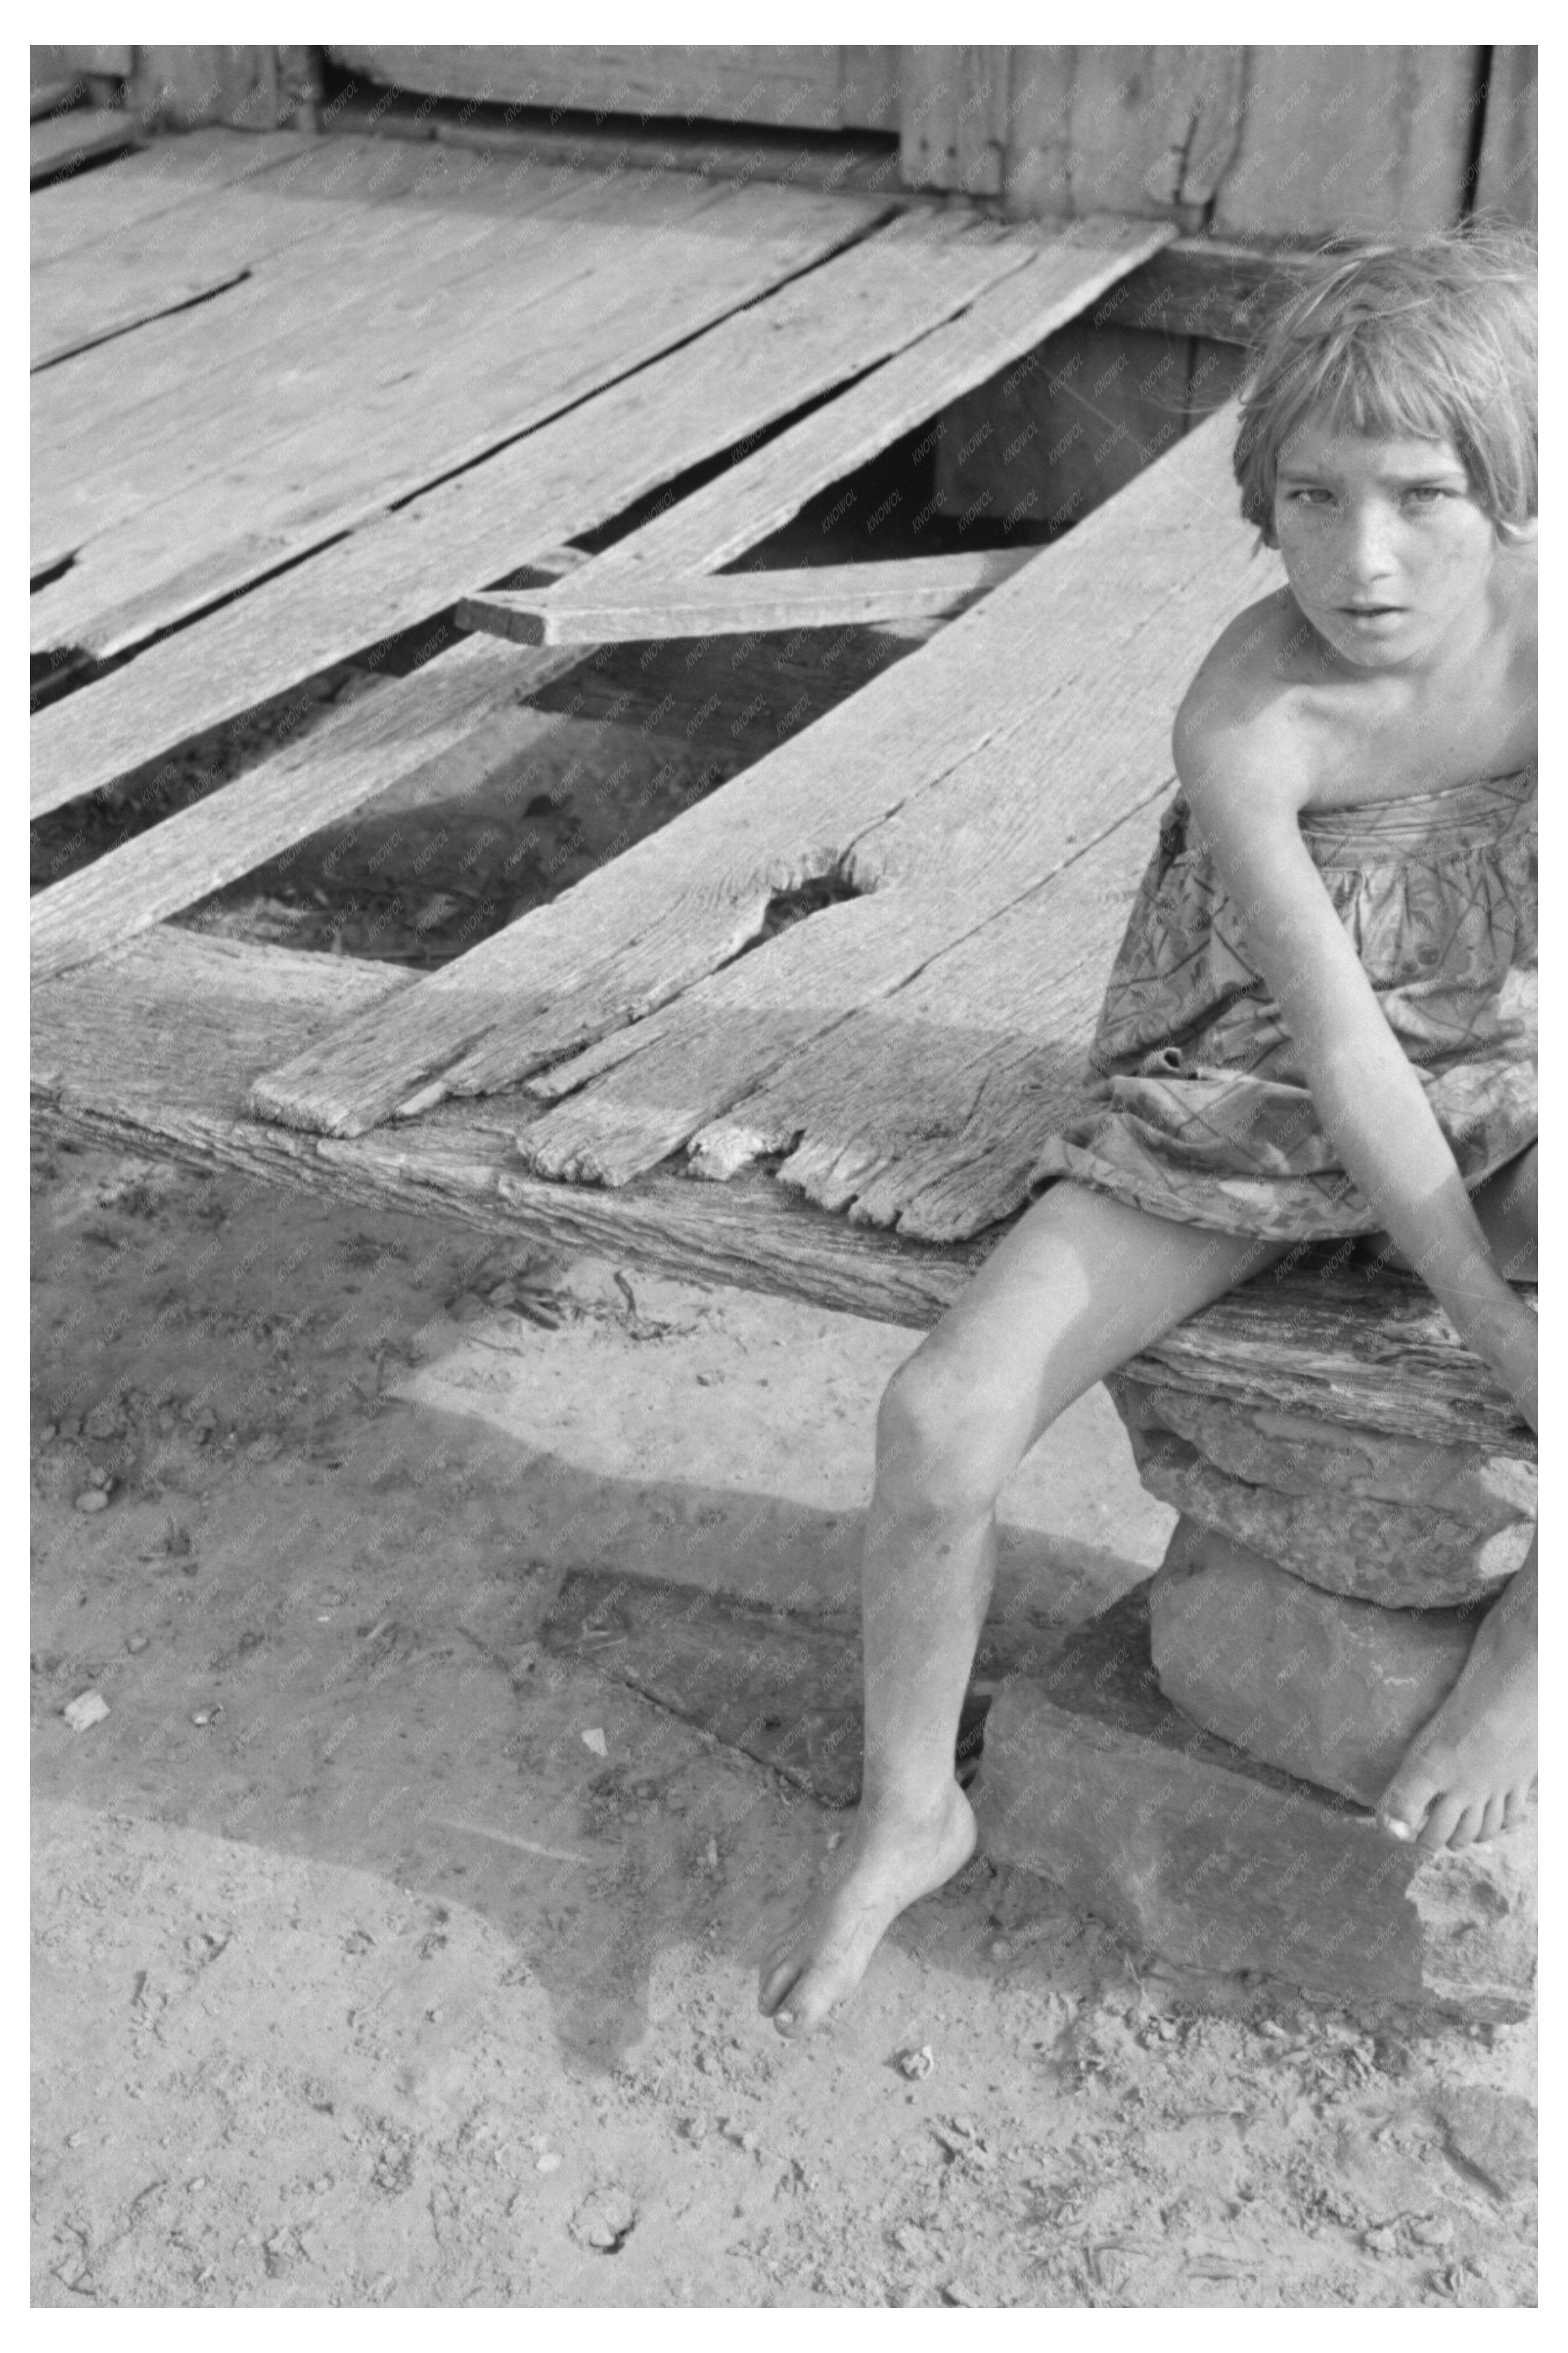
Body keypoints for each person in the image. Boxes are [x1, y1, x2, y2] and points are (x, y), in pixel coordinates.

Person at [758, 227, 1538, 2038]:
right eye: (1311, 495)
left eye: (1424, 495)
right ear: (1257, 500)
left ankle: (1530, 1650)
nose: (1364, 558)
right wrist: (1494, 1327)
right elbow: (1340, 1060)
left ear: (1516, 491)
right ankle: (909, 1807)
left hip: (1511, 1060)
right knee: (939, 1414)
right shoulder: (1251, 710)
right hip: (1252, 1090)